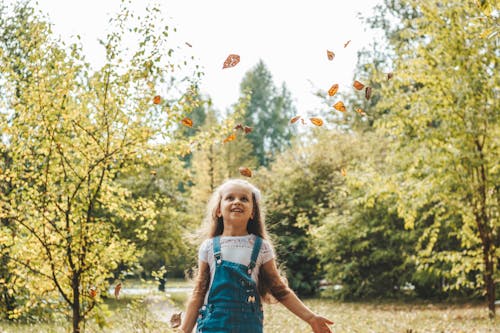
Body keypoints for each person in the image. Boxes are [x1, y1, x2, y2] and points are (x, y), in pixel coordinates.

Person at [180, 179, 334, 333]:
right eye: (230, 198)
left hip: (249, 327)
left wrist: (311, 318)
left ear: (253, 212)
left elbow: (280, 290)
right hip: (212, 326)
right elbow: (199, 292)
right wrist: (183, 330)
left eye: (244, 199)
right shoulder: (208, 247)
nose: (237, 202)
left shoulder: (261, 247)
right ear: (218, 210)